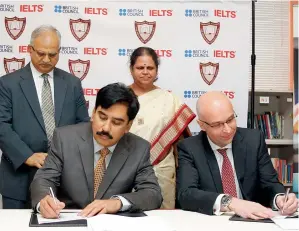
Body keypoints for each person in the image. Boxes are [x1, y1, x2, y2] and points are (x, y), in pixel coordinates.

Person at [30, 83, 162, 218]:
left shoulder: (138, 148)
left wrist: (117, 203)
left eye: (116, 122)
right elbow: (44, 180)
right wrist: (44, 202)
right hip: (69, 220)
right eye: (102, 117)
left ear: (128, 125)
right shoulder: (65, 138)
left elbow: (152, 193)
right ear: (93, 113)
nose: (105, 128)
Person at [0, 25, 89, 209]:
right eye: (41, 53)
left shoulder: (72, 84)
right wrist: (27, 156)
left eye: (52, 54)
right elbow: (1, 125)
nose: (46, 59)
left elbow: (83, 126)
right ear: (29, 50)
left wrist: (69, 158)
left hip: (64, 179)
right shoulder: (8, 84)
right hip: (19, 177)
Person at [176, 91, 298, 219]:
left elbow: (270, 183)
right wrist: (230, 202)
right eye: (217, 124)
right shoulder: (190, 148)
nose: (227, 129)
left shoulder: (253, 140)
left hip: (253, 221)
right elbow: (186, 194)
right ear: (202, 125)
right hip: (212, 222)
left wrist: (279, 199)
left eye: (230, 120)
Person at [128, 47, 196, 209]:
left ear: (157, 70)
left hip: (162, 167)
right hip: (127, 166)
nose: (145, 72)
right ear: (131, 69)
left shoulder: (169, 99)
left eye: (150, 68)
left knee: (163, 217)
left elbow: (179, 139)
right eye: (140, 68)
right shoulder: (121, 97)